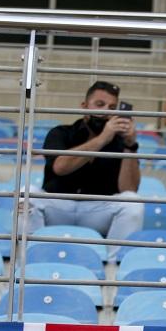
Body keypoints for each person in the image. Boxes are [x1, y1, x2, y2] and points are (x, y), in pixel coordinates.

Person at [25, 80, 143, 256]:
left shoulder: (119, 142)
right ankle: (30, 260)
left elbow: (129, 189)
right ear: (84, 106)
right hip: (59, 205)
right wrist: (103, 138)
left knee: (133, 203)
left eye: (111, 108)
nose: (105, 112)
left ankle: (113, 267)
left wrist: (129, 145)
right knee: (25, 196)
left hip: (97, 209)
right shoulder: (61, 133)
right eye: (99, 105)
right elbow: (60, 167)